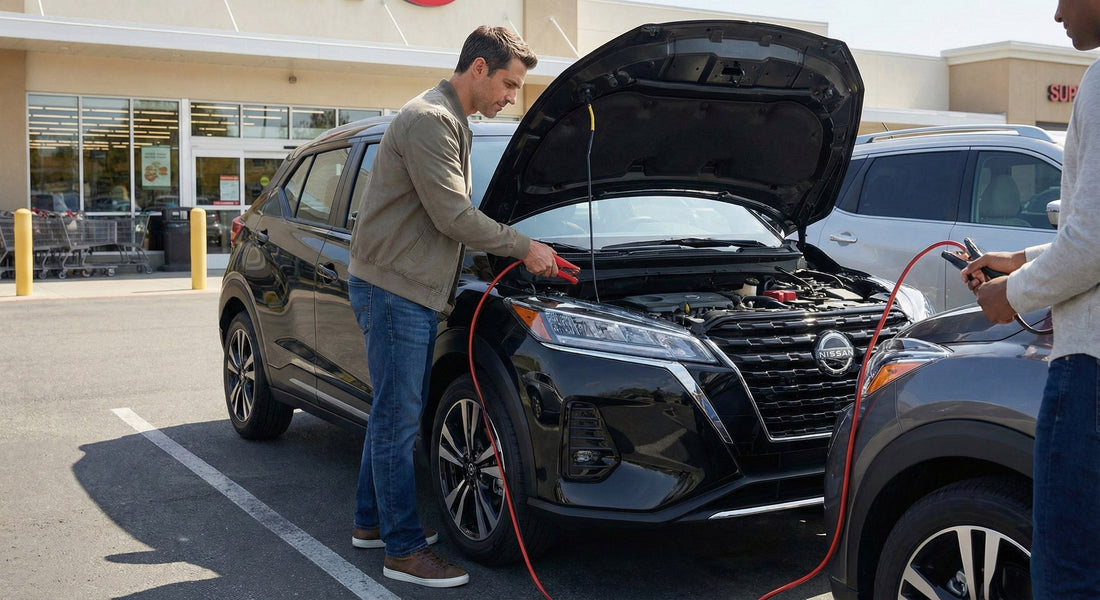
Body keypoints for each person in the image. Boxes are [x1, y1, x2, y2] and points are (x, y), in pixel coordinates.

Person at [345, 25, 558, 589]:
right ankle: (404, 551)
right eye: (509, 83)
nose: (512, 96)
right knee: (397, 421)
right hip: (395, 291)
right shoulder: (430, 121)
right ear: (480, 69)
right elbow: (453, 216)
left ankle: (372, 523)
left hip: (400, 285)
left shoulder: (450, 120)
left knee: (390, 413)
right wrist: (524, 247)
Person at [961, 2, 1100, 597]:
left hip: (1092, 375)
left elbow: (1092, 242)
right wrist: (1022, 260)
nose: (1057, 12)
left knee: (1069, 575)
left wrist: (1012, 295)